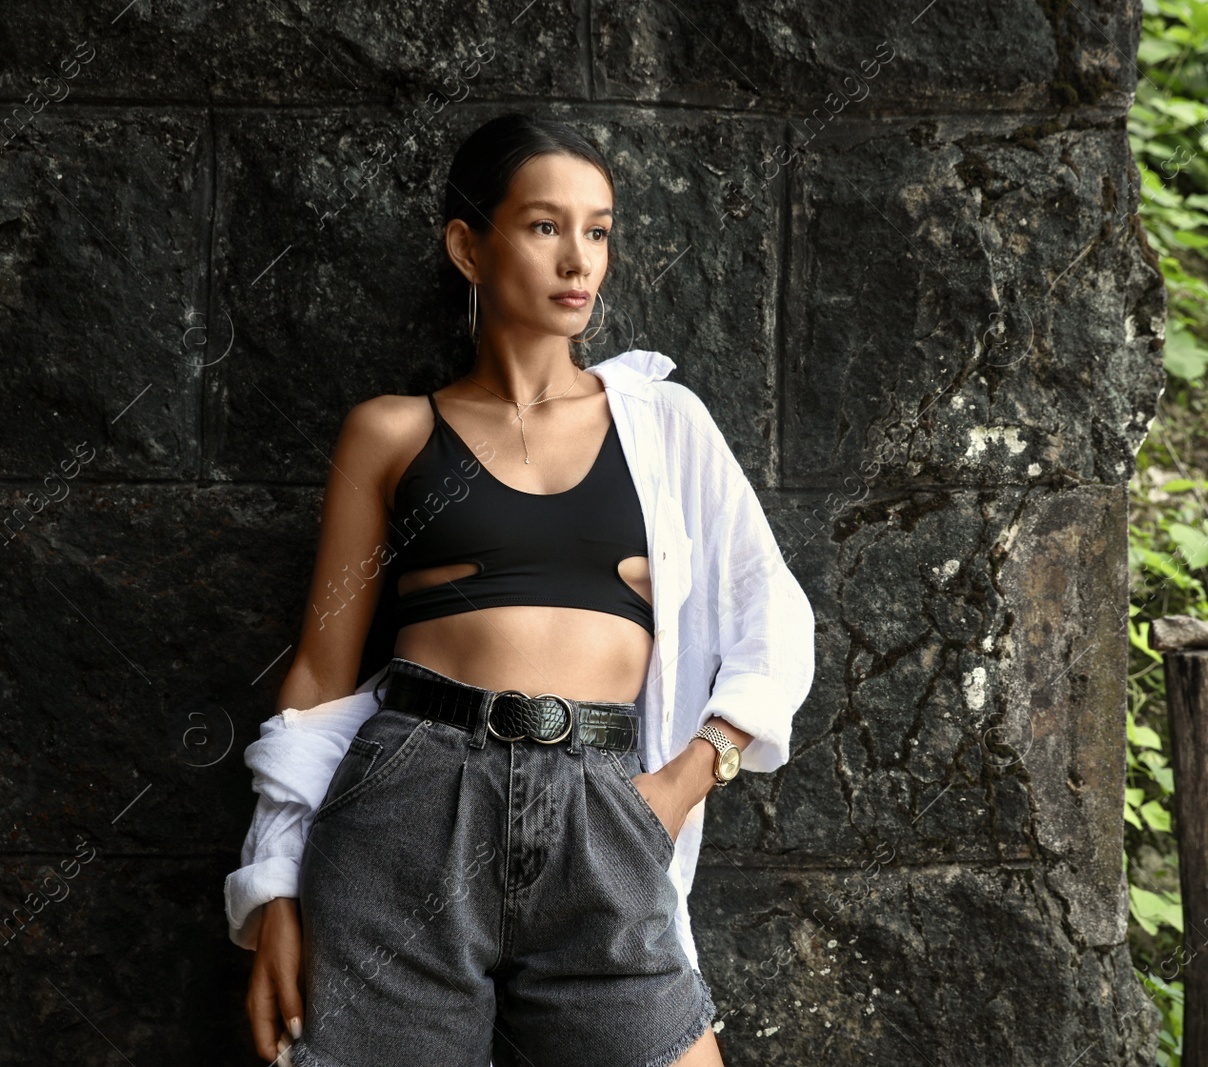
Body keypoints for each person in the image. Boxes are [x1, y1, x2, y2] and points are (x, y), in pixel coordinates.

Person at [223, 113, 816, 1067]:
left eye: (599, 230)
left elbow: (775, 620)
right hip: (408, 806)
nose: (578, 259)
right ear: (469, 245)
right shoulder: (391, 433)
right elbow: (317, 681)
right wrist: (274, 886)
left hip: (604, 812)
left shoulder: (664, 426)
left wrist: (683, 780)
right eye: (545, 227)